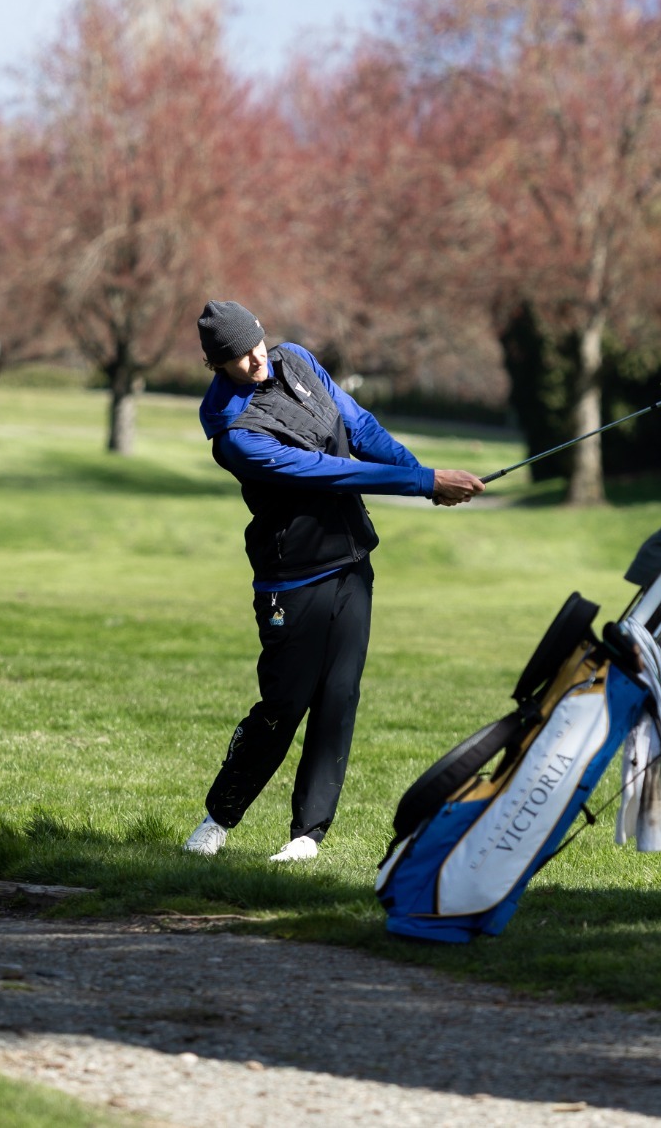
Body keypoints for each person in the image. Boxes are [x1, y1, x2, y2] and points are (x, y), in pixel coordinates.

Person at [184, 300, 485, 862]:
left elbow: (359, 426)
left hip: (350, 562)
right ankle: (219, 817)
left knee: (339, 697)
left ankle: (307, 836)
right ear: (216, 364)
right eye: (236, 357)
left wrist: (422, 474)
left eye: (255, 346)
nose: (254, 361)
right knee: (285, 701)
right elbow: (329, 473)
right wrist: (422, 483)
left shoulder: (294, 359)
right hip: (291, 576)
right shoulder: (235, 436)